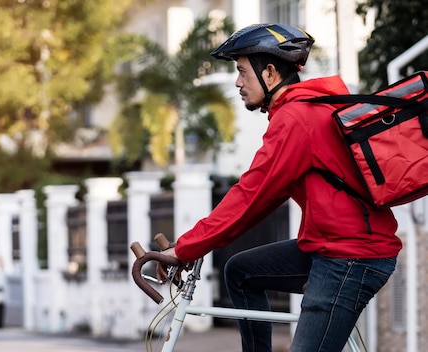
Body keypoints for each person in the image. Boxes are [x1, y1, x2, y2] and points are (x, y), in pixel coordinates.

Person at [157, 23, 400, 352]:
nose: (237, 82)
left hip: (349, 258)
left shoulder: (296, 120)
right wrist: (194, 244)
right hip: (329, 248)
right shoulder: (303, 111)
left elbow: (251, 196)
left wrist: (186, 247)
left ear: (269, 72)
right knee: (241, 272)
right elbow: (264, 193)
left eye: (243, 72)